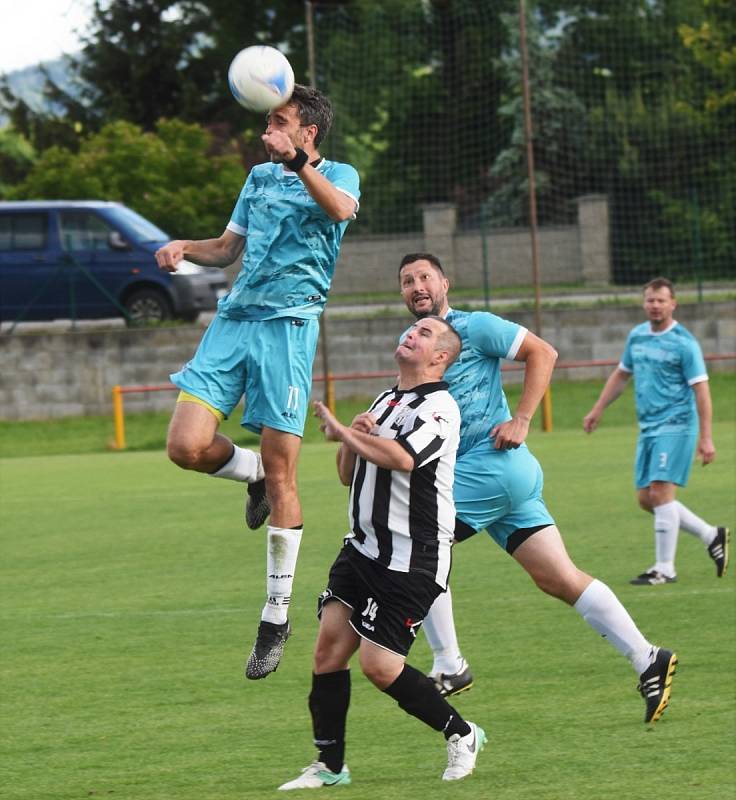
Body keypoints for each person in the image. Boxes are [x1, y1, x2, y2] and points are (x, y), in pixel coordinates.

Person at [398, 253, 677, 725]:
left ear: (446, 281)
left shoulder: (473, 325)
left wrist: (522, 418)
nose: (417, 285)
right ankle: (648, 657)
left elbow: (542, 353)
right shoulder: (414, 342)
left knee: (415, 540)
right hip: (508, 476)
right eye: (407, 281)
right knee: (559, 578)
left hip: (490, 465)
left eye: (425, 276)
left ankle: (450, 664)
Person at [154, 85, 360, 680]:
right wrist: (184, 247)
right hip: (234, 321)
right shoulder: (257, 177)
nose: (266, 131)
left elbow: (339, 211)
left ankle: (275, 617)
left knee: (287, 472)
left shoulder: (339, 173)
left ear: (308, 132)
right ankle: (252, 477)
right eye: (267, 121)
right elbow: (225, 250)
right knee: (185, 447)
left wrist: (296, 162)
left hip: (289, 329)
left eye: (279, 121)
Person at [278, 316, 486, 790]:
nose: (412, 333)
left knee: (379, 666)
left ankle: (462, 732)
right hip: (362, 549)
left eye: (426, 333)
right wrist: (351, 436)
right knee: (328, 650)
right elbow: (347, 475)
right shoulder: (386, 399)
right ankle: (330, 767)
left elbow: (403, 458)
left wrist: (344, 432)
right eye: (412, 329)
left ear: (440, 357)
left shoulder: (440, 408)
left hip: (411, 560)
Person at [583, 277, 729, 585]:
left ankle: (665, 568)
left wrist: (706, 437)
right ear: (644, 302)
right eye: (650, 299)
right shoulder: (637, 337)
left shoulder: (685, 343)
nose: (655, 305)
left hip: (677, 425)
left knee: (661, 492)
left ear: (673, 304)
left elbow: (702, 391)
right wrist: (597, 409)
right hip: (649, 428)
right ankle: (710, 534)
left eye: (661, 300)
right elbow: (621, 376)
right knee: (646, 499)